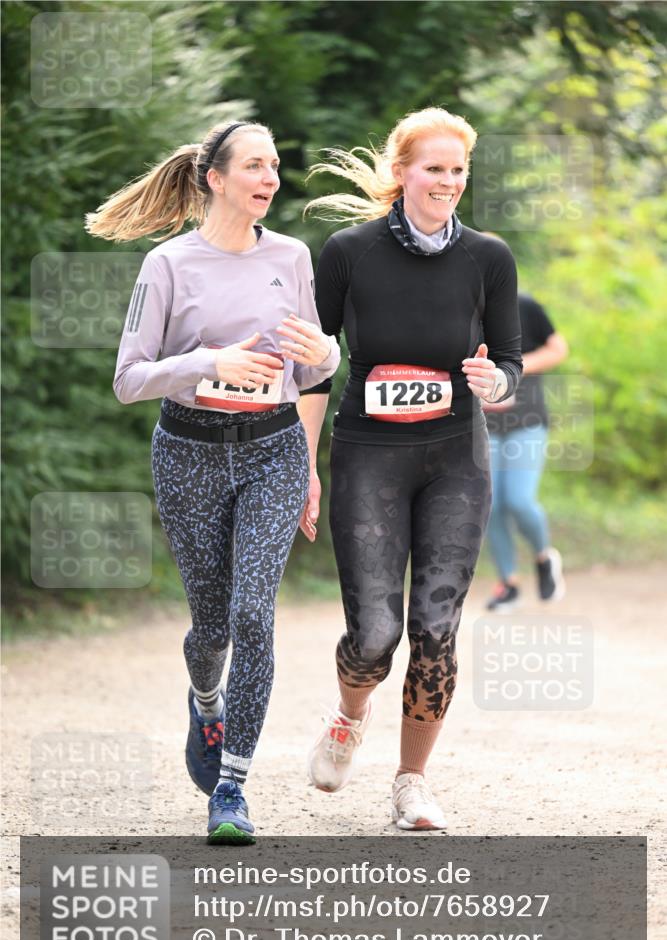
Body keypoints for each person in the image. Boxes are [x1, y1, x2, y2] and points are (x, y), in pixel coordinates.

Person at [85, 120, 340, 843]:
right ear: (214, 179)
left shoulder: (291, 256)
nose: (270, 178)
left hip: (273, 452)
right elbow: (128, 379)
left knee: (254, 617)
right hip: (189, 451)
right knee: (211, 628)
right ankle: (205, 700)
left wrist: (326, 352)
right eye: (255, 166)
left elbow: (315, 366)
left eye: (276, 166)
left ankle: (230, 788)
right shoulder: (167, 265)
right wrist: (207, 363)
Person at [302, 107, 523, 829]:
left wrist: (498, 384)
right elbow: (311, 362)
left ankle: (410, 783)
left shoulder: (487, 257)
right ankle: (348, 713)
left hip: (456, 457)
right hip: (369, 455)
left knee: (436, 628)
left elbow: (509, 360)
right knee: (373, 637)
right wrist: (303, 462)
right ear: (401, 173)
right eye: (434, 168)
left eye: (458, 170)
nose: (448, 182)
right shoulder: (347, 251)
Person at [483, 283, 569, 611]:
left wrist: (512, 367)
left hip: (527, 421)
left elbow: (558, 349)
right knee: (490, 504)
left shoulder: (524, 305)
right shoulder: (457, 309)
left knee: (518, 500)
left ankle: (544, 556)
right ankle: (508, 584)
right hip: (481, 424)